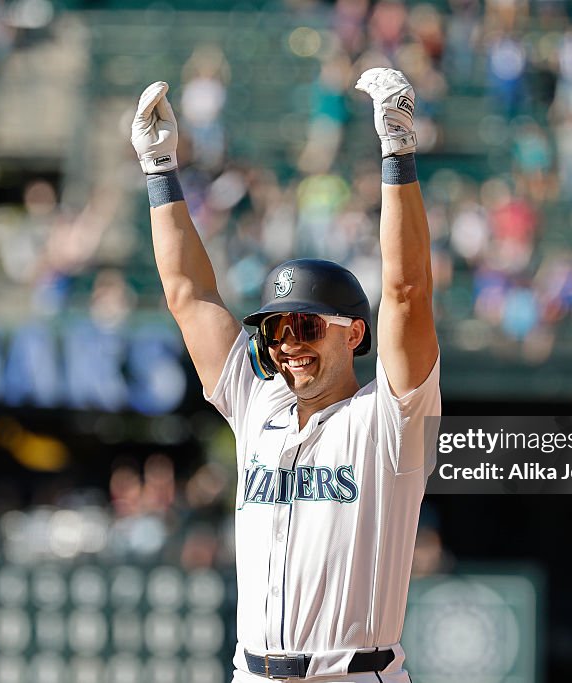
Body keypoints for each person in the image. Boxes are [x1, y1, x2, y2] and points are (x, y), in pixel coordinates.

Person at [130, 68, 441, 682]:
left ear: (353, 334)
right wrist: (160, 170)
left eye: (305, 325)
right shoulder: (259, 405)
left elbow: (407, 293)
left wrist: (398, 156)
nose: (288, 343)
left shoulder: (391, 419)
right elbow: (189, 296)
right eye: (275, 329)